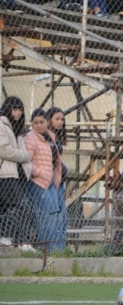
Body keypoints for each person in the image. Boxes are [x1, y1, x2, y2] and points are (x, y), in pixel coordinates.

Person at [25, 108, 64, 253]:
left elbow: (55, 159)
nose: (39, 125)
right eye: (35, 123)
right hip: (37, 182)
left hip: (50, 182)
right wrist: (39, 172)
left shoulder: (50, 136)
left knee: (55, 215)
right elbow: (26, 161)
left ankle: (57, 250)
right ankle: (49, 250)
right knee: (46, 216)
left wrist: (56, 176)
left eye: (41, 122)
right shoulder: (30, 138)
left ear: (47, 122)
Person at [0, 96, 32, 247]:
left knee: (19, 207)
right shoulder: (1, 124)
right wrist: (24, 156)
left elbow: (20, 152)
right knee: (18, 205)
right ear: (8, 109)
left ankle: (18, 241)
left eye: (20, 109)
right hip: (6, 174)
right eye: (15, 109)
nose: (18, 112)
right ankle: (7, 237)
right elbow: (4, 150)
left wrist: (25, 161)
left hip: (19, 174)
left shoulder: (18, 129)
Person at [45, 107, 68, 247]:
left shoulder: (56, 137)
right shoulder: (46, 137)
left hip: (59, 182)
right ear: (49, 120)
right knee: (55, 215)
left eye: (62, 119)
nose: (60, 122)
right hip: (50, 182)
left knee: (62, 216)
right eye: (57, 119)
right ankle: (54, 247)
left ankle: (60, 247)